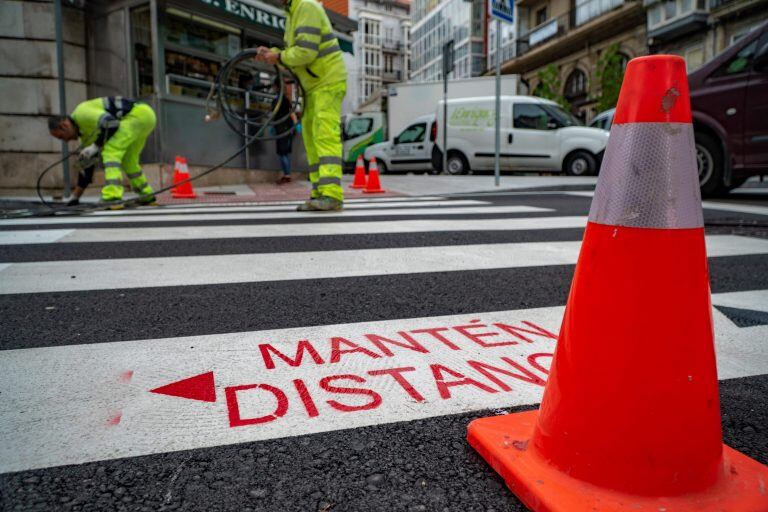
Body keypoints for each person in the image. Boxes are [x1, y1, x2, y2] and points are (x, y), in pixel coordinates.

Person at [254, 0, 347, 211]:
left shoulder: (306, 6)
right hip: (313, 86)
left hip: (327, 81)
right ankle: (320, 192)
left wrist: (278, 56)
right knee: (312, 138)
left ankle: (332, 195)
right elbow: (295, 52)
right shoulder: (292, 13)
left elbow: (306, 52)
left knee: (324, 134)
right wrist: (273, 54)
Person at [48, 97, 157, 209]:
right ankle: (146, 195)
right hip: (146, 116)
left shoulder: (81, 113)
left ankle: (112, 197)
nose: (65, 141)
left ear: (64, 125)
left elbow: (111, 122)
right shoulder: (84, 135)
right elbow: (87, 168)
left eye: (61, 137)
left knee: (111, 151)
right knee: (129, 160)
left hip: (136, 115)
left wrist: (96, 146)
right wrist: (75, 197)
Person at [271, 78, 298, 184]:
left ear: (276, 87)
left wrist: (296, 125)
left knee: (283, 153)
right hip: (283, 128)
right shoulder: (281, 99)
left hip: (284, 129)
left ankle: (287, 175)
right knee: (284, 153)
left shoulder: (280, 99)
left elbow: (291, 112)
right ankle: (287, 174)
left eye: (273, 86)